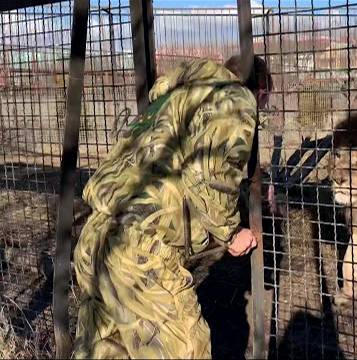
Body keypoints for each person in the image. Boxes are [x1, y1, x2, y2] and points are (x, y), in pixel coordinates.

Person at [72, 55, 272, 359]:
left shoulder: (175, 99)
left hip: (96, 241)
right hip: (140, 255)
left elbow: (176, 174)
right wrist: (231, 233)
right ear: (259, 91)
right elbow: (210, 173)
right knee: (186, 349)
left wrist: (244, 198)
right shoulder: (234, 97)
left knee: (106, 350)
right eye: (264, 104)